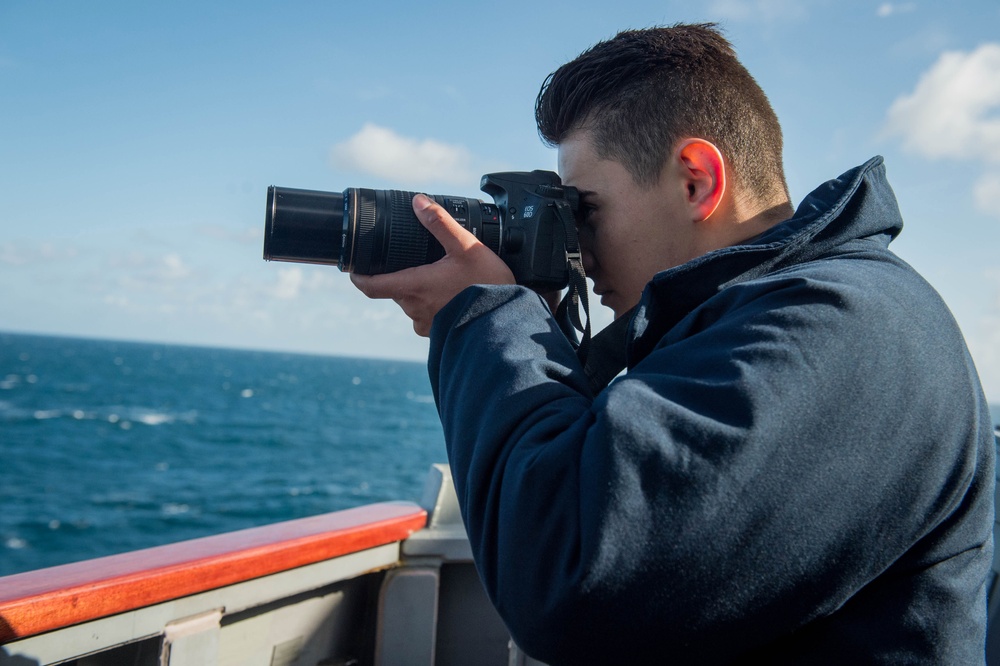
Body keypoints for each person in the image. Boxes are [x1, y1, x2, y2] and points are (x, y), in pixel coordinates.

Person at [351, 24, 995, 664]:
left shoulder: (845, 323)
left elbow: (572, 577)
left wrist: (485, 319)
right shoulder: (755, 319)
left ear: (696, 181)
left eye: (588, 210)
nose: (582, 247)